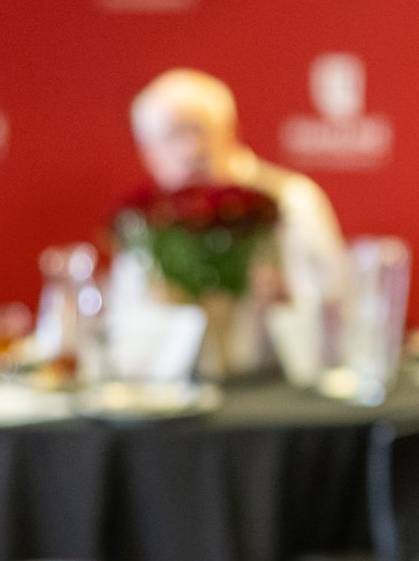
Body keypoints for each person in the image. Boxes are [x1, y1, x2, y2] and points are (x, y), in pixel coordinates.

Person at [120, 69, 348, 373]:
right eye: (172, 136)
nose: (191, 150)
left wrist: (289, 297)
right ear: (149, 153)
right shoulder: (147, 220)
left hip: (273, 387)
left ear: (230, 131)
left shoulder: (290, 201)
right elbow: (125, 339)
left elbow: (340, 311)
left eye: (199, 130)